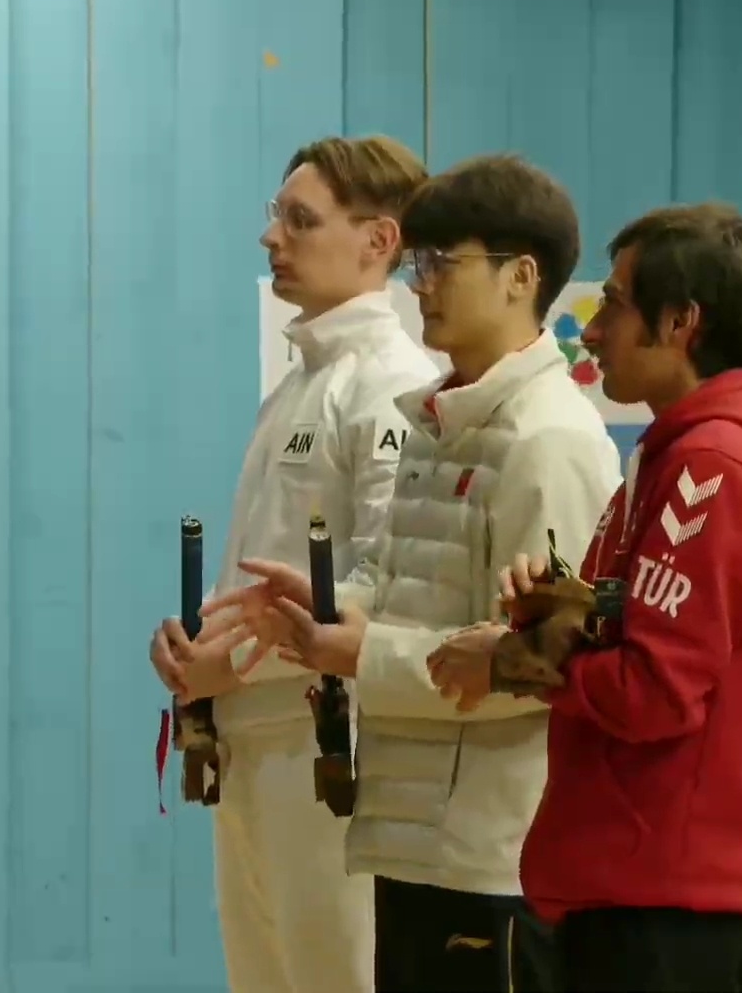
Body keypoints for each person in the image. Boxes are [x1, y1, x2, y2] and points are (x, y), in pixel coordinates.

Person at [206, 154, 621, 993]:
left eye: (442, 263)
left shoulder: (551, 439)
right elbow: (400, 589)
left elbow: (545, 663)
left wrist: (357, 651)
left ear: (520, 277)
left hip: (491, 854)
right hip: (411, 836)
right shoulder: (437, 422)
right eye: (420, 262)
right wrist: (322, 609)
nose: (420, 282)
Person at [469, 202, 742, 993]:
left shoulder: (717, 469)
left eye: (613, 304)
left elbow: (653, 691)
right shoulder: (673, 458)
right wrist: (554, 615)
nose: (593, 331)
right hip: (629, 901)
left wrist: (509, 662)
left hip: (669, 921)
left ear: (680, 323)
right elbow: (629, 635)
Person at [148, 135, 437, 993]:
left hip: (328, 749)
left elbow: (389, 587)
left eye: (300, 220)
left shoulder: (391, 384)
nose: (272, 237)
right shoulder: (298, 386)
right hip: (252, 741)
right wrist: (201, 654)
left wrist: (235, 659)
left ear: (378, 240)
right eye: (277, 216)